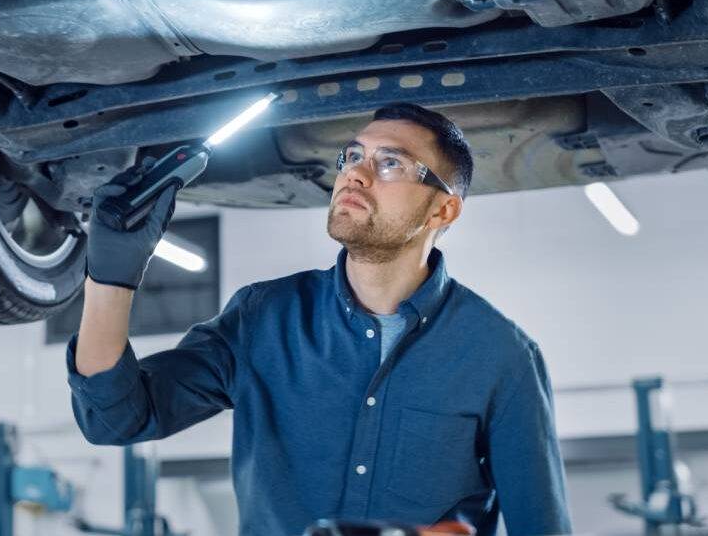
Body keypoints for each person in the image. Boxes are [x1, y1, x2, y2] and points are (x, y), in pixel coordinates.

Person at [66, 102, 571, 535]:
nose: (356, 172)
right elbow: (117, 418)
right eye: (353, 155)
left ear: (442, 211)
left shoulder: (500, 356)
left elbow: (540, 526)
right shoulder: (262, 319)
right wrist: (111, 278)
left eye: (391, 163)